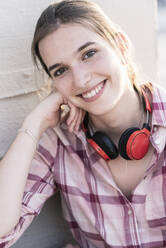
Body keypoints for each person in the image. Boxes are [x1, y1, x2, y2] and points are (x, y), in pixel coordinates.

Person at [0, 0, 166, 247]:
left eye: (89, 54)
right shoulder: (59, 141)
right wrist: (34, 123)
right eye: (60, 71)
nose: (80, 79)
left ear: (120, 46)